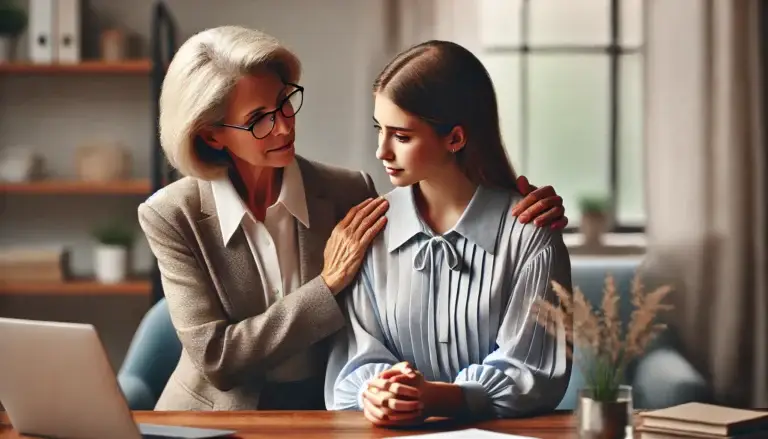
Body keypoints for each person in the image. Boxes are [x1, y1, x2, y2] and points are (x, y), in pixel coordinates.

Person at [138, 25, 569, 411]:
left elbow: (457, 189)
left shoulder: (354, 196)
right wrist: (326, 286)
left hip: (321, 415)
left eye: (284, 104)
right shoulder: (171, 215)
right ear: (211, 134)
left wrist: (522, 206)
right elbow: (216, 359)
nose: (285, 128)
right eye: (259, 121)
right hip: (211, 418)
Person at [324, 39, 572, 425]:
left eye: (401, 136)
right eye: (380, 130)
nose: (381, 152)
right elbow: (356, 360)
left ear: (455, 138)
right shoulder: (369, 231)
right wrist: (376, 393)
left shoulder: (531, 234)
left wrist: (439, 398)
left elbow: (533, 373)